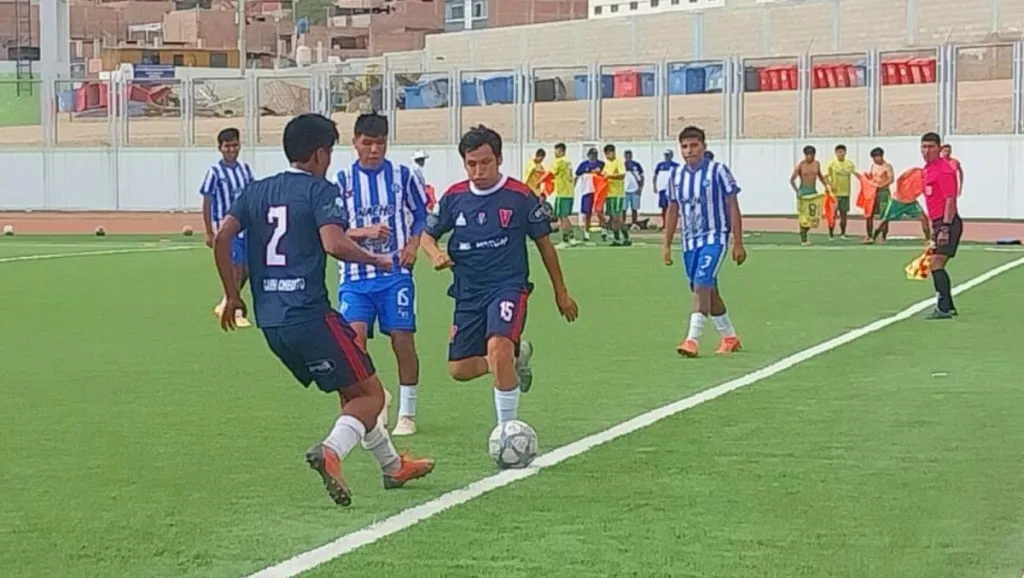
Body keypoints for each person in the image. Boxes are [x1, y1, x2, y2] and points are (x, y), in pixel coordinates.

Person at [212, 113, 434, 506]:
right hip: (311, 315)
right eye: (328, 152)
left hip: (272, 323)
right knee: (372, 397)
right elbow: (333, 243)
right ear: (318, 154)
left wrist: (232, 295)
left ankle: (392, 466)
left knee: (354, 390)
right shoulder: (320, 189)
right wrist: (375, 259)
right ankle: (331, 451)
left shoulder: (257, 190)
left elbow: (223, 237)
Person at [420, 125, 579, 426]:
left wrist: (561, 292)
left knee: (498, 346)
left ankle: (508, 429)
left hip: (508, 286)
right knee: (459, 370)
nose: (478, 170)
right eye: (472, 164)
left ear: (499, 159)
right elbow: (426, 237)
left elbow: (545, 246)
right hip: (467, 291)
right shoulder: (454, 197)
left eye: (485, 162)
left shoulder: (519, 196)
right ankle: (516, 359)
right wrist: (436, 255)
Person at [334, 113, 429, 437]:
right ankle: (376, 396)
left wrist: (414, 246)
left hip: (394, 273)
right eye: (368, 143)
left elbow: (421, 215)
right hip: (355, 276)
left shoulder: (403, 175)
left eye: (380, 143)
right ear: (355, 143)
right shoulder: (342, 181)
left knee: (402, 339)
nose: (374, 149)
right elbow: (334, 229)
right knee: (354, 343)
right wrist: (364, 231)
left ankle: (407, 411)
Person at [662, 125, 745, 357]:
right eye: (685, 146)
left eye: (694, 145)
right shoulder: (676, 176)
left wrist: (737, 242)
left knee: (701, 282)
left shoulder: (718, 171)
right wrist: (667, 244)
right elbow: (672, 209)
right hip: (689, 243)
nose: (689, 151)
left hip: (714, 238)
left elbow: (732, 205)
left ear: (704, 147)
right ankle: (729, 336)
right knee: (706, 289)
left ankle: (692, 340)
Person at [201, 127, 255, 327]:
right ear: (220, 148)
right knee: (236, 267)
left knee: (248, 268)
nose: (232, 150)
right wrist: (209, 231)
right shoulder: (214, 172)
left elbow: (251, 196)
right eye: (227, 146)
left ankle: (226, 302)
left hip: (245, 227)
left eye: (235, 145)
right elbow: (207, 201)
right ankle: (236, 310)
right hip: (225, 228)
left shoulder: (245, 170)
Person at [922, 133, 963, 319]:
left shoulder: (944, 170)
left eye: (931, 147)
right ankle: (948, 305)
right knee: (936, 263)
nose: (926, 151)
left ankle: (944, 307)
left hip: (948, 221)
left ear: (939, 148)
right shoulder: (927, 169)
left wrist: (945, 227)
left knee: (935, 263)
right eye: (924, 147)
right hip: (938, 222)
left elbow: (950, 200)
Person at [789, 145, 830, 246]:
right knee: (804, 217)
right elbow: (792, 180)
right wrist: (797, 191)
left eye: (812, 155)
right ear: (805, 155)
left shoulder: (817, 164)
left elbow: (820, 176)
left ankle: (804, 231)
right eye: (808, 155)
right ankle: (803, 237)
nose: (810, 157)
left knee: (813, 216)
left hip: (813, 191)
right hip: (803, 192)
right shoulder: (801, 165)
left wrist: (826, 186)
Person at [863, 147, 894, 244]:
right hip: (873, 192)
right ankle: (869, 236)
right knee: (869, 214)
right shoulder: (873, 166)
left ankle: (883, 236)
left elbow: (891, 179)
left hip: (883, 192)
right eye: (873, 158)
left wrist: (881, 185)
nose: (875, 160)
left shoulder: (887, 166)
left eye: (876, 157)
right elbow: (871, 177)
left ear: (881, 156)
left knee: (884, 215)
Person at [825, 144, 856, 239]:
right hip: (834, 194)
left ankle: (843, 233)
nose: (840, 154)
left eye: (842, 152)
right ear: (835, 153)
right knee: (832, 214)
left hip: (845, 193)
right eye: (838, 152)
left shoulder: (849, 164)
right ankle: (831, 234)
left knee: (844, 214)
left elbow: (855, 173)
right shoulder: (832, 164)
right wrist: (830, 186)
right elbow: (825, 176)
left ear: (845, 152)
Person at [550, 142, 577, 248]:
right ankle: (571, 237)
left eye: (556, 150)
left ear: (561, 151)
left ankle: (565, 240)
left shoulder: (560, 161)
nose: (555, 153)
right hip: (568, 193)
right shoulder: (568, 162)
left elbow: (551, 173)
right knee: (564, 216)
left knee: (563, 217)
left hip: (563, 193)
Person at [573, 148, 603, 243]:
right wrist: (573, 187)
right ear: (588, 155)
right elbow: (577, 176)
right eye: (591, 154)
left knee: (599, 211)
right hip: (586, 191)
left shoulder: (601, 164)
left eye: (595, 154)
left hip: (598, 191)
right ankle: (586, 232)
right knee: (587, 213)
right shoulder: (583, 165)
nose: (593, 156)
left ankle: (604, 231)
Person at [602, 144, 630, 246]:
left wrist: (610, 176)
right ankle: (617, 238)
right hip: (609, 194)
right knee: (613, 217)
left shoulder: (619, 162)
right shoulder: (606, 164)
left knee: (617, 217)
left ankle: (626, 237)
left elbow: (622, 175)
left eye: (609, 153)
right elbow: (603, 177)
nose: (608, 156)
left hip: (617, 194)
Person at [653, 149, 679, 229]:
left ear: (671, 155)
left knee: (672, 207)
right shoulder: (660, 165)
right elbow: (655, 176)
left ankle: (672, 225)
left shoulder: (675, 165)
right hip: (662, 189)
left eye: (668, 155)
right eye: (665, 155)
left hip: (672, 189)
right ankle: (665, 224)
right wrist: (654, 186)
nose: (666, 157)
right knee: (663, 207)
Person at [623, 149, 645, 226]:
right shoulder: (622, 165)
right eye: (626, 155)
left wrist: (640, 188)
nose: (628, 157)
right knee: (624, 209)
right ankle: (623, 223)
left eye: (629, 155)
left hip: (635, 189)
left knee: (634, 208)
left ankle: (634, 223)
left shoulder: (636, 165)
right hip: (625, 190)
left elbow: (642, 176)